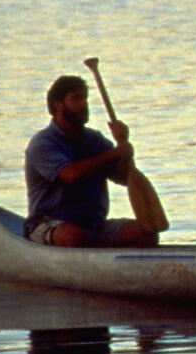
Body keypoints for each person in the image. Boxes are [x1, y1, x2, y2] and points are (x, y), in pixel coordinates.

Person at [24, 74, 163, 248]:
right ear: (58, 105)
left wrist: (124, 147)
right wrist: (114, 154)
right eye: (76, 98)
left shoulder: (95, 140)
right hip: (48, 223)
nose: (84, 104)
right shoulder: (43, 143)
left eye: (85, 98)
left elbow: (123, 178)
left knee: (146, 235)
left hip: (93, 225)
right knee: (74, 237)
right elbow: (70, 175)